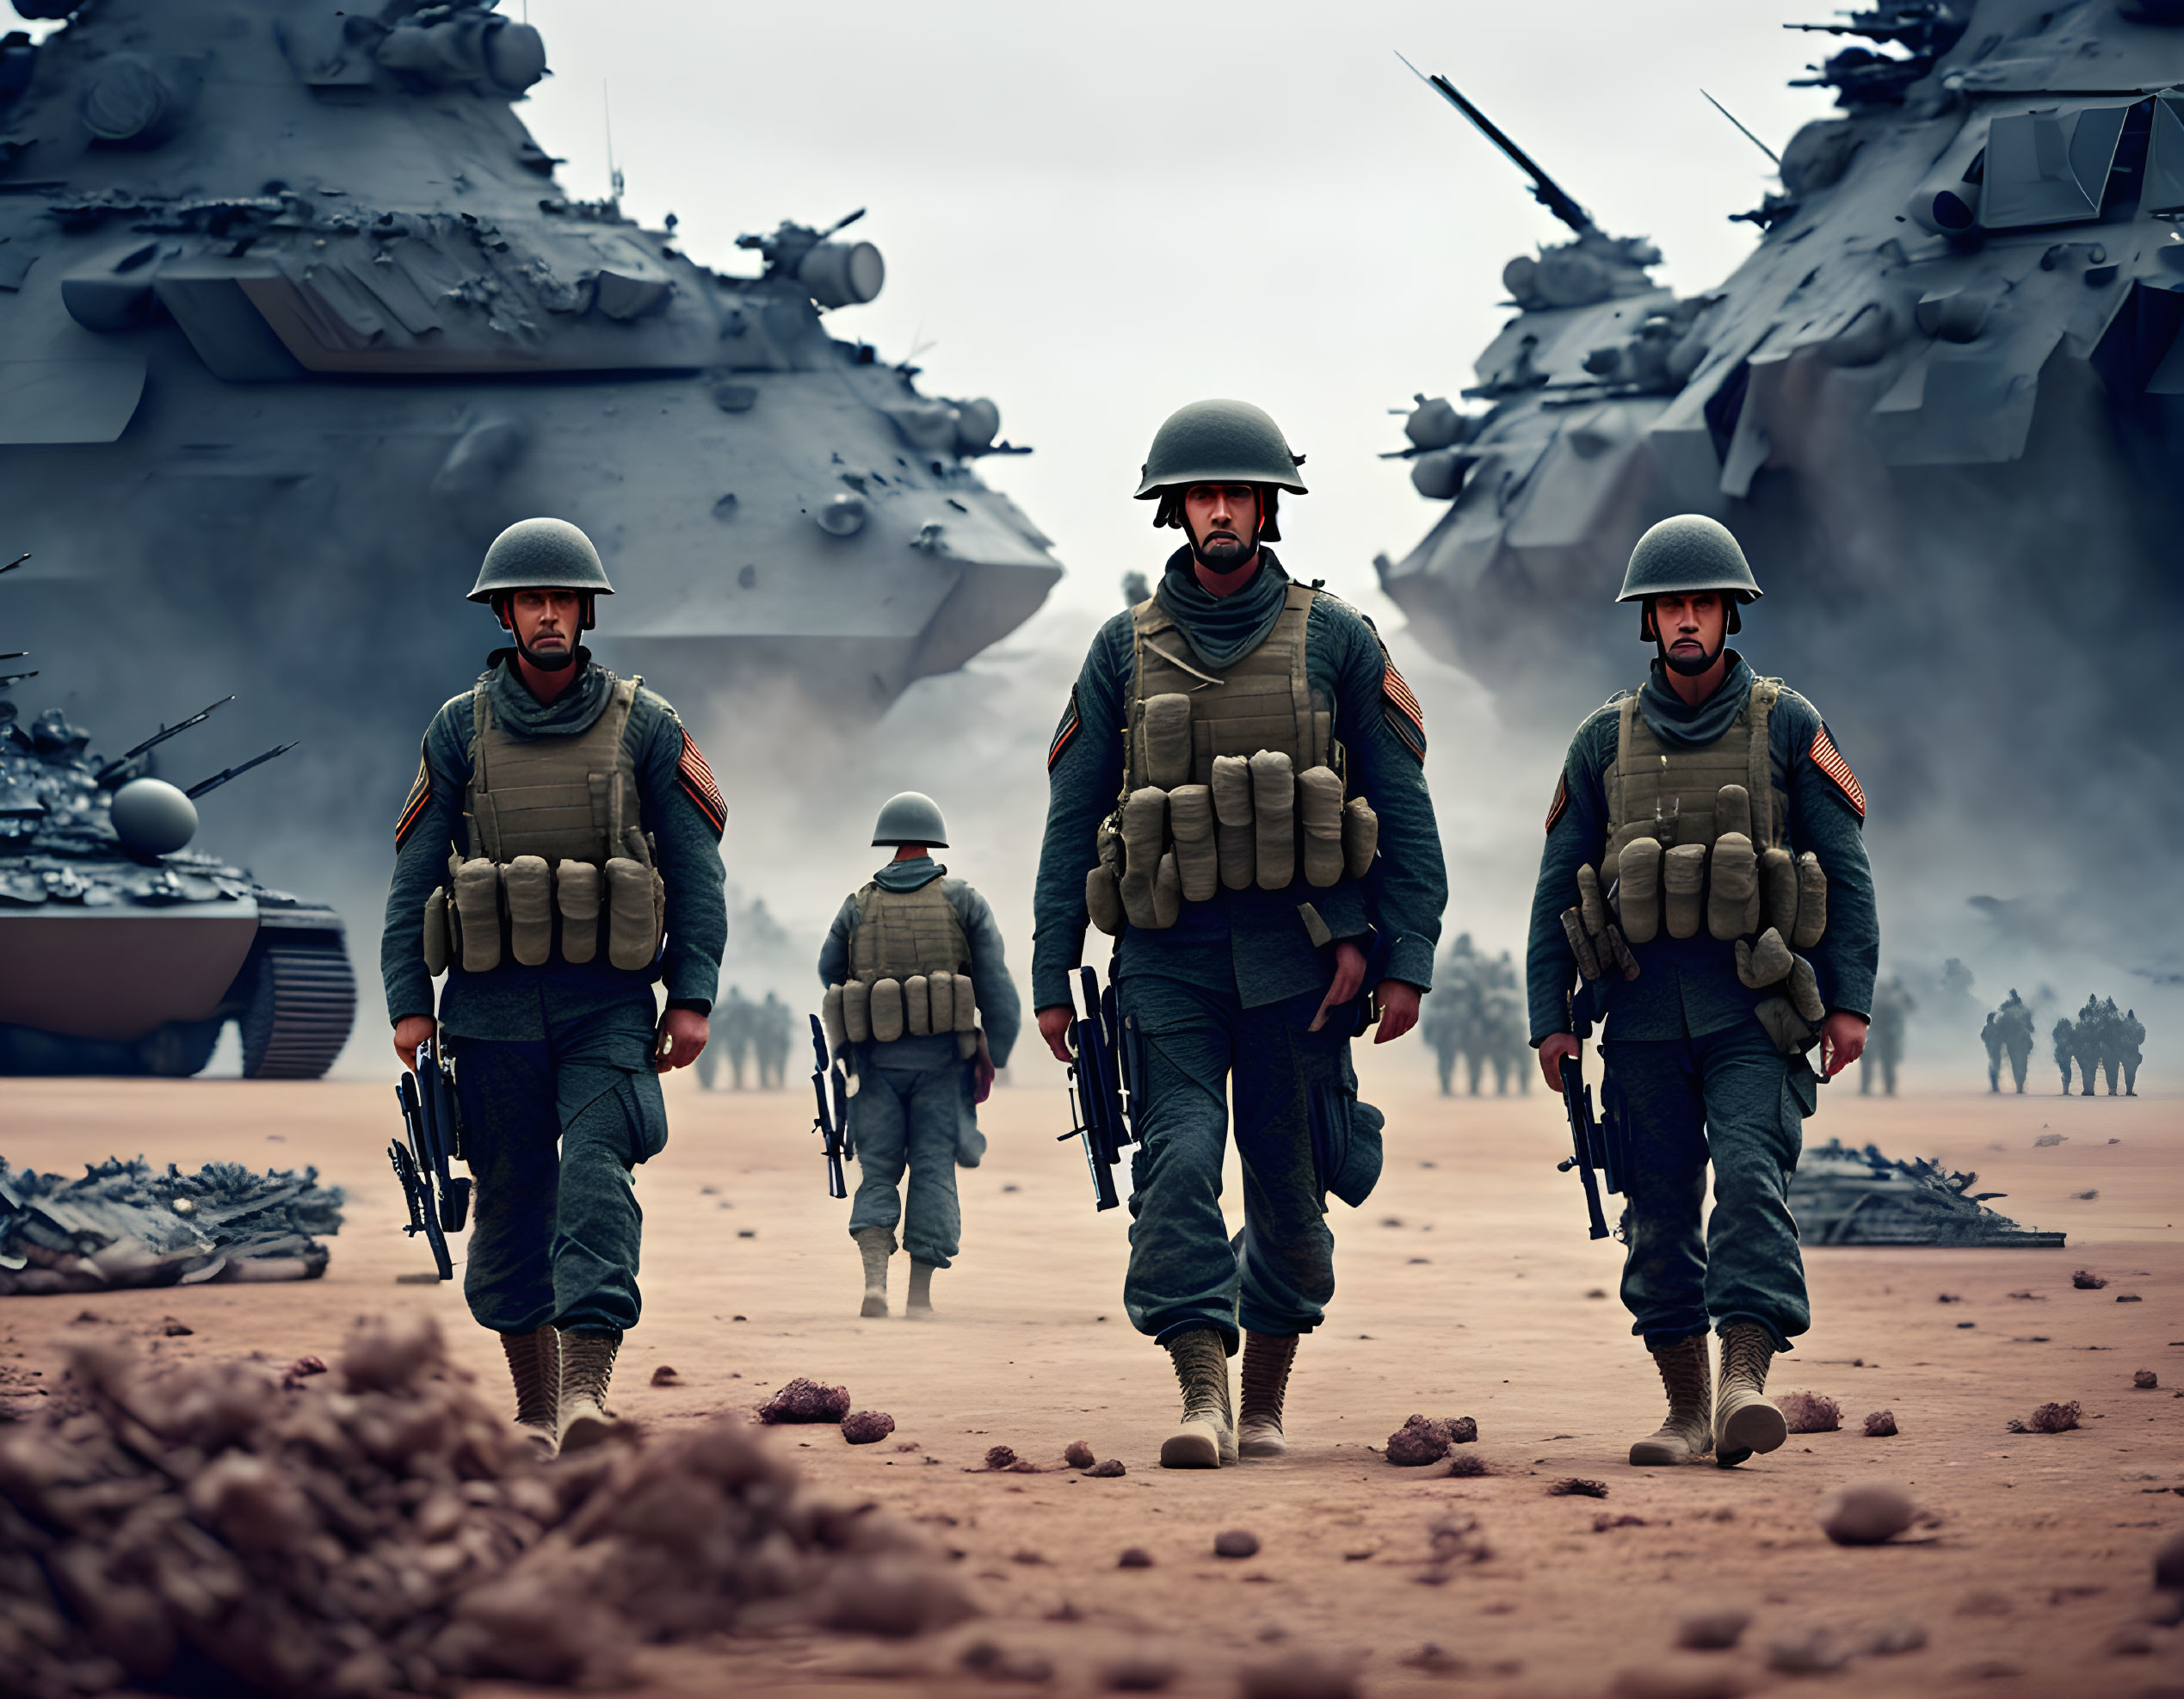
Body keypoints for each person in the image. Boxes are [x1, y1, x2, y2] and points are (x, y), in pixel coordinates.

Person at [1030, 399, 1447, 1469]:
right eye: (1201, 495)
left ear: (1270, 506)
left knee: (1293, 1193)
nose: (1219, 511)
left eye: (1238, 495)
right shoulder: (1121, 652)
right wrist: (1049, 969)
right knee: (1175, 1166)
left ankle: (1263, 1399)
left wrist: (1403, 957)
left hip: (1302, 962)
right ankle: (1202, 1390)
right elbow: (1073, 815)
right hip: (1165, 958)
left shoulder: (1341, 638)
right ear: (1174, 510)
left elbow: (1402, 807)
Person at [1526, 514, 1876, 1471]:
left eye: (1701, 605)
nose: (1686, 621)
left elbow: (1842, 867)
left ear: (1730, 614)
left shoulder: (1789, 723)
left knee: (1754, 1186)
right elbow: (1560, 881)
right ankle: (1685, 1407)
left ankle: (1744, 1382)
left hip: (1752, 1013)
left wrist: (1849, 1002)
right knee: (1659, 1209)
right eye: (1670, 606)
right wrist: (1547, 1021)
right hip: (1637, 1017)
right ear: (1650, 621)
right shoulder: (1604, 739)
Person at [380, 517, 727, 1456]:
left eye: (562, 600)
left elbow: (697, 871)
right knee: (509, 1198)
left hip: (607, 1007)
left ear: (585, 612)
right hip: (488, 1013)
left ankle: (585, 1395)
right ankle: (534, 1411)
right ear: (503, 612)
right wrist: (408, 998)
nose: (546, 615)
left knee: (596, 1181)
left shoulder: (647, 726)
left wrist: (692, 994)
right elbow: (415, 874)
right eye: (530, 599)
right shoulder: (457, 728)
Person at [818, 792, 1021, 1318]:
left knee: (878, 1169)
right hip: (943, 1065)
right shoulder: (963, 900)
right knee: (933, 1169)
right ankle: (919, 1299)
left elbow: (827, 970)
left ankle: (874, 1285)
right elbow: (996, 987)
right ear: (935, 838)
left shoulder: (858, 903)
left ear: (887, 838)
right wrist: (991, 1052)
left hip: (876, 1065)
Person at [1860, 973, 1911, 1097]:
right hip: (1881, 1034)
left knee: (1880, 1062)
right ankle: (1886, 1089)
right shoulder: (1894, 999)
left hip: (1880, 1034)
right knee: (1885, 1062)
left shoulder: (1876, 998)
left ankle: (1873, 1088)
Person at [1998, 988, 2033, 1094]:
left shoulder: (2019, 1012)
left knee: (2020, 1064)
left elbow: (2030, 1027)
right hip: (2014, 1042)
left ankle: (2020, 1085)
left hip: (2020, 1041)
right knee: (2018, 1064)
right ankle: (2019, 1085)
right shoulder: (2009, 1012)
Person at [2120, 1008, 2144, 1097]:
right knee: (2131, 1073)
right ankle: (2129, 1090)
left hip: (2131, 1055)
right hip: (2130, 1054)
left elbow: (2141, 1038)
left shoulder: (2134, 1026)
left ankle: (2129, 1090)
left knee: (2129, 1073)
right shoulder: (2135, 1026)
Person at [2052, 1015, 2076, 1094]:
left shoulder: (2058, 1033)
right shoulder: (2062, 1034)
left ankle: (2065, 1091)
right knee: (2065, 1071)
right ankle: (2065, 1091)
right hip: (2062, 1055)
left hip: (2064, 1055)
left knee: (2065, 1071)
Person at [1981, 1012, 2003, 1093]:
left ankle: (1995, 1086)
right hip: (1994, 1051)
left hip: (1992, 1051)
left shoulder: (1987, 1028)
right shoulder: (1994, 1028)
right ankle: (1995, 1086)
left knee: (1994, 1067)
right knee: (1995, 1067)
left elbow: (1983, 1037)